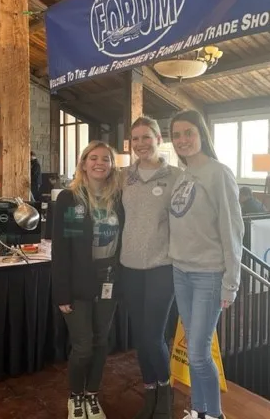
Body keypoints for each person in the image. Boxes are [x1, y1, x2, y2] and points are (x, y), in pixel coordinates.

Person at [168, 110, 244, 419]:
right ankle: (198, 411)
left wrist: (231, 281)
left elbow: (233, 229)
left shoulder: (218, 172)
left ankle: (213, 414)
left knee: (198, 354)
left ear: (202, 134)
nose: (182, 140)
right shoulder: (182, 173)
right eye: (176, 135)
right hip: (180, 271)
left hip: (209, 275)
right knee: (195, 353)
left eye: (188, 132)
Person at [52, 140, 124, 419]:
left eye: (105, 159)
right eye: (93, 158)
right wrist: (62, 293)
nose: (99, 163)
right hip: (78, 279)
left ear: (111, 165)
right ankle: (75, 396)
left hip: (109, 278)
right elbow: (61, 248)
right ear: (83, 163)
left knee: (101, 341)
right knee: (82, 346)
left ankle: (92, 394)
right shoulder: (69, 198)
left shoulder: (118, 197)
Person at [120, 116, 181, 419]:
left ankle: (166, 391)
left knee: (152, 335)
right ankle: (150, 389)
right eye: (136, 139)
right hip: (129, 266)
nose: (141, 144)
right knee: (140, 334)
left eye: (147, 137)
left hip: (162, 266)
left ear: (159, 139)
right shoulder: (124, 177)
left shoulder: (176, 176)